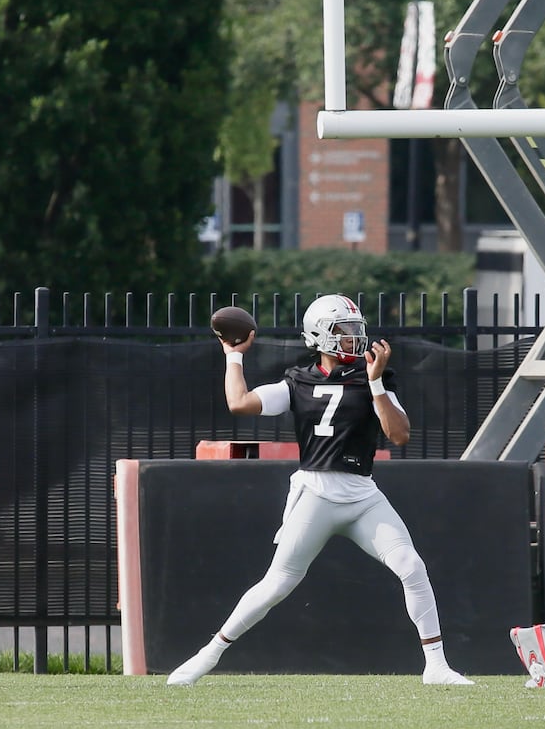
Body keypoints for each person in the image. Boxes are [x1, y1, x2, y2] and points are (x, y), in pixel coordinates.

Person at [167, 293, 473, 687]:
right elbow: (239, 403)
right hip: (316, 492)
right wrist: (233, 355)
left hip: (362, 494)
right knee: (277, 583)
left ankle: (436, 667)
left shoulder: (372, 376)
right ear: (319, 336)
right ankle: (206, 657)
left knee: (412, 567)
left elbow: (399, 434)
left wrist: (377, 382)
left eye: (355, 330)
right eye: (343, 331)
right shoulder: (298, 380)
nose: (353, 339)